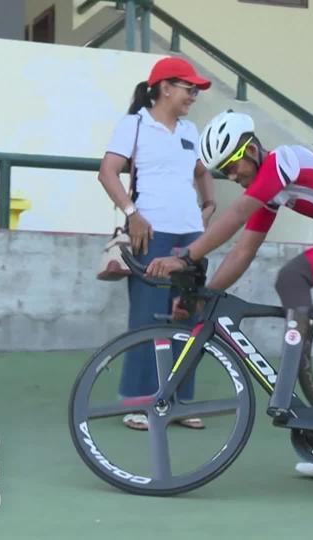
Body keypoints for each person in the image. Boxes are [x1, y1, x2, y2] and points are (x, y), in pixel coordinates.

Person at [146, 110, 313, 478]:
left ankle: (285, 386)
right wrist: (205, 294)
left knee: (292, 275)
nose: (233, 175)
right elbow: (243, 251)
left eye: (234, 163)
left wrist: (187, 256)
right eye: (224, 170)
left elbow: (238, 213)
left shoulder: (283, 160)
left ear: (252, 149)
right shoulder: (275, 192)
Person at [97, 56, 215, 431]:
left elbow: (200, 170)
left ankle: (179, 400)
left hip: (191, 235)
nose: (193, 95)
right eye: (188, 88)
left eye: (195, 90)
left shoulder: (190, 130)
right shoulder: (134, 124)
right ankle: (138, 401)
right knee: (147, 318)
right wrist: (132, 213)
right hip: (151, 233)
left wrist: (208, 206)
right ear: (165, 87)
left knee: (189, 315)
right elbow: (108, 172)